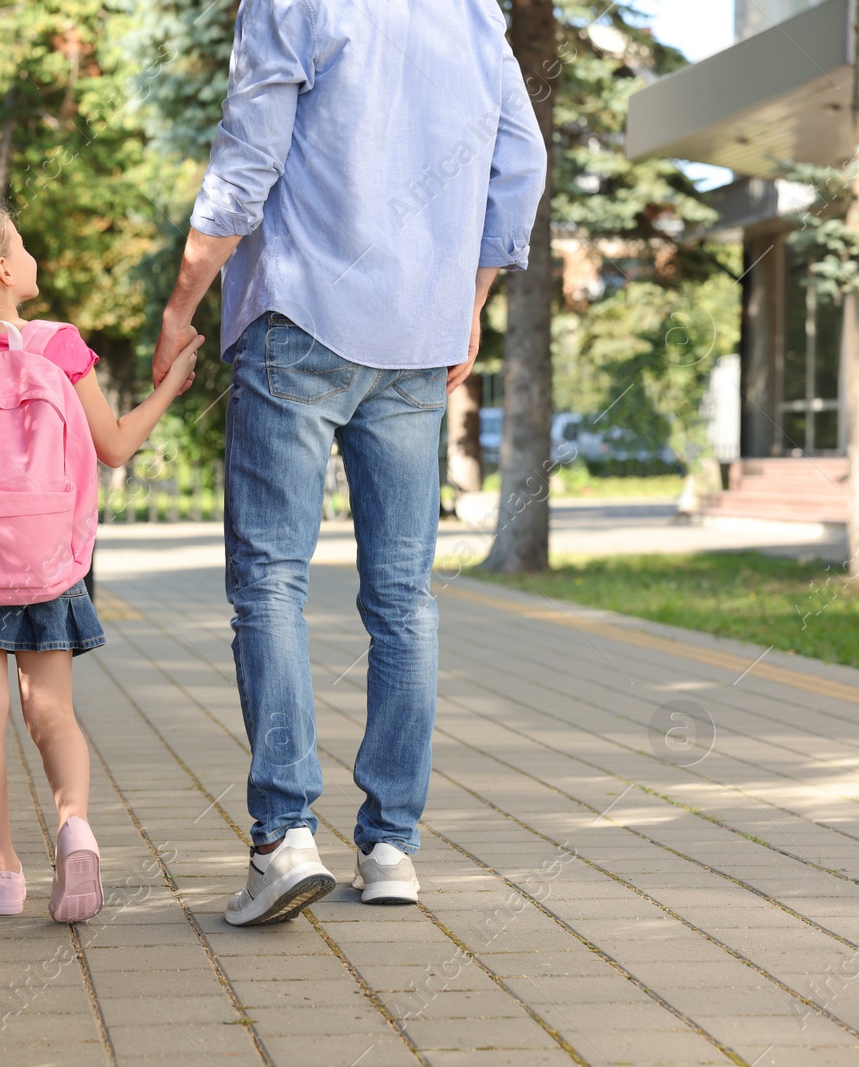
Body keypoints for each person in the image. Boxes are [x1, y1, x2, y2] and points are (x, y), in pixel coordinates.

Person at [152, 0, 547, 925]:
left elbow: (247, 161)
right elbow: (519, 163)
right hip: (417, 336)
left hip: (298, 314)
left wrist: (182, 305)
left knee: (271, 581)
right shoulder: (475, 13)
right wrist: (470, 295)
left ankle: (284, 837)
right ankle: (392, 845)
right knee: (403, 598)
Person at [0, 200, 202, 921]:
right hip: (46, 564)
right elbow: (116, 445)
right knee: (53, 713)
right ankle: (76, 833)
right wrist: (172, 384)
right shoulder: (58, 344)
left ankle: (4, 873)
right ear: (5, 270)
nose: (33, 254)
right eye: (24, 244)